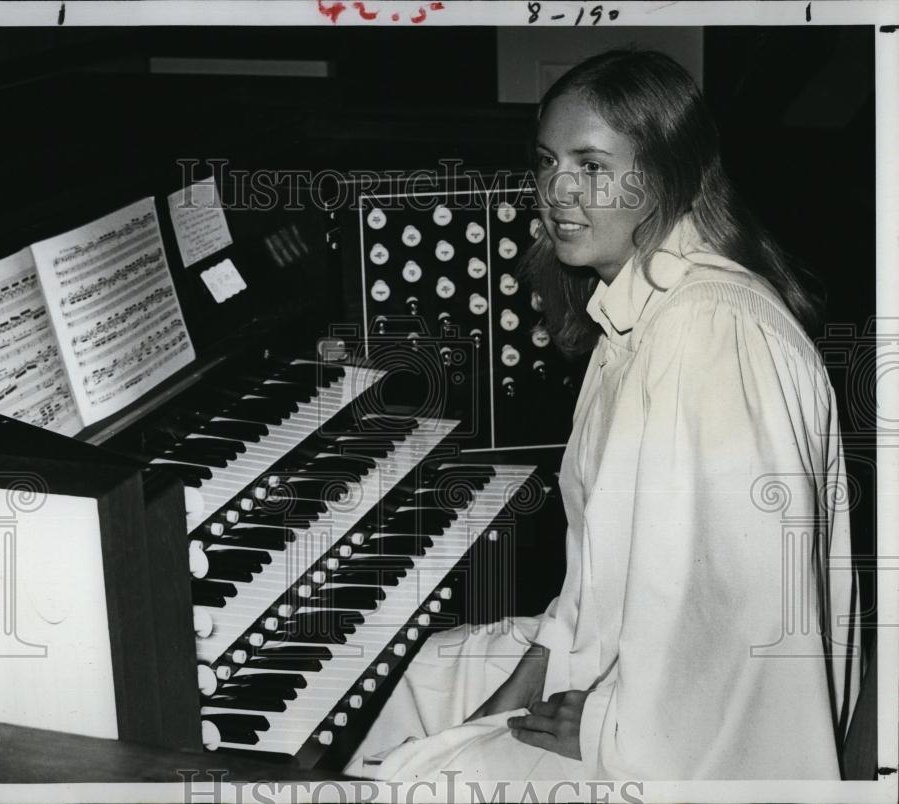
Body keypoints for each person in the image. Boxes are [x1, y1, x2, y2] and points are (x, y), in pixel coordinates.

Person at [345, 49, 861, 781]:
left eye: (592, 165)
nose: (557, 190)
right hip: (632, 668)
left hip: (696, 741)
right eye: (548, 161)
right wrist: (531, 675)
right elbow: (605, 577)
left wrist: (605, 722)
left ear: (663, 175)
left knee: (411, 779)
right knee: (407, 669)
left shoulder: (711, 331)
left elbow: (751, 625)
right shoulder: (638, 309)